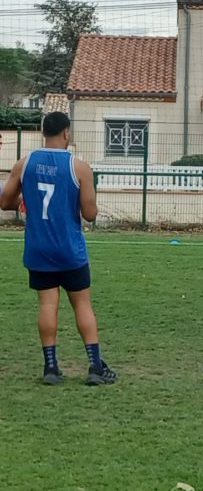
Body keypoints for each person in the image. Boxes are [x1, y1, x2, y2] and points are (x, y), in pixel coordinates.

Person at [0, 112, 117, 385]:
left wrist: (23, 197)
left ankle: (51, 367)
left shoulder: (25, 163)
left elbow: (5, 202)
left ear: (43, 132)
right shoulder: (79, 168)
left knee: (47, 304)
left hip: (39, 249)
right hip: (69, 249)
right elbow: (89, 214)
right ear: (66, 133)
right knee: (82, 304)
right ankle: (95, 366)